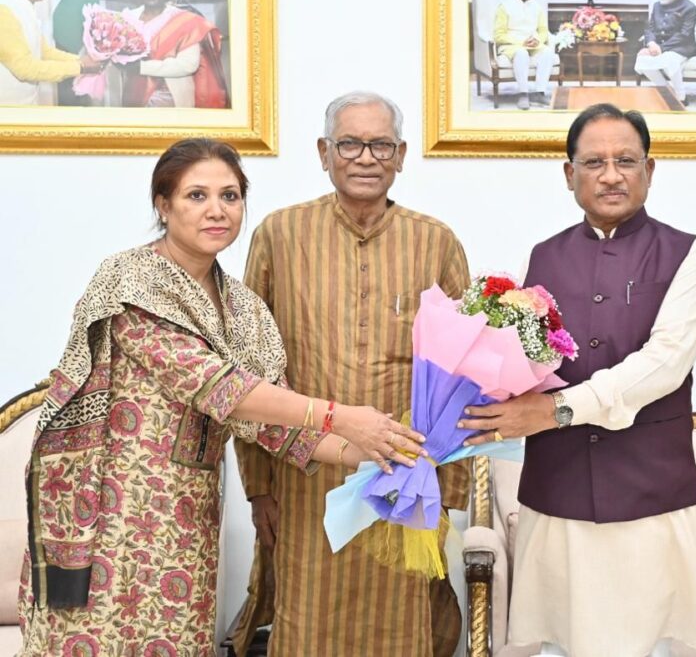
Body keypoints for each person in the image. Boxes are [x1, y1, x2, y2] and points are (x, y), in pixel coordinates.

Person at [16, 138, 427, 655]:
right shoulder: (130, 281)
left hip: (186, 517)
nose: (217, 210)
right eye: (197, 195)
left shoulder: (244, 309)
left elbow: (278, 426)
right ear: (163, 206)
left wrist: (384, 450)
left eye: (230, 196)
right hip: (107, 513)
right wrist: (342, 416)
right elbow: (217, 385)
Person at [460, 104, 696, 657]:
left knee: (657, 645)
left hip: (652, 497)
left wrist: (555, 410)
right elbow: (526, 359)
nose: (611, 175)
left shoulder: (687, 253)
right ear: (569, 174)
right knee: (561, 645)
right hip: (558, 495)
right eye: (594, 162)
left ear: (649, 170)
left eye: (626, 161)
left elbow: (665, 363)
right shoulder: (543, 257)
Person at [231, 91, 472, 656]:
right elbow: (248, 371)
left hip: (404, 475)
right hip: (304, 477)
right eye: (350, 144)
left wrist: (449, 490)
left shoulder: (435, 241)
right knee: (307, 622)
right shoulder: (279, 235)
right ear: (324, 152)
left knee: (401, 623)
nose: (366, 157)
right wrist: (259, 488)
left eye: (381, 145)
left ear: (401, 155)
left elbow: (463, 373)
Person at [120, 0, 228, 108]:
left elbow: (188, 65)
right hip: (133, 95)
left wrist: (141, 67)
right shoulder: (127, 18)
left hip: (172, 97)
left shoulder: (184, 20)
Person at [0, 0, 101, 105]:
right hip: (7, 110)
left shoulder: (24, 5)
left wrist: (80, 60)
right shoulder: (4, 10)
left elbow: (44, 52)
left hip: (25, 106)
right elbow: (24, 68)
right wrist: (80, 67)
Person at [494, 0, 554, 110]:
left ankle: (540, 93)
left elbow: (543, 31)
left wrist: (537, 40)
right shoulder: (504, 7)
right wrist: (522, 42)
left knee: (547, 52)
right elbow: (498, 35)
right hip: (512, 46)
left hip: (534, 44)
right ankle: (523, 94)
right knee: (521, 53)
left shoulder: (536, 6)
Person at [634, 0, 696, 105]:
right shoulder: (657, 6)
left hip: (681, 47)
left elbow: (684, 34)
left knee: (670, 60)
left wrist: (661, 48)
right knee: (642, 58)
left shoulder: (690, 8)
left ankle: (681, 96)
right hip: (658, 46)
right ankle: (666, 90)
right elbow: (650, 29)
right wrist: (651, 44)